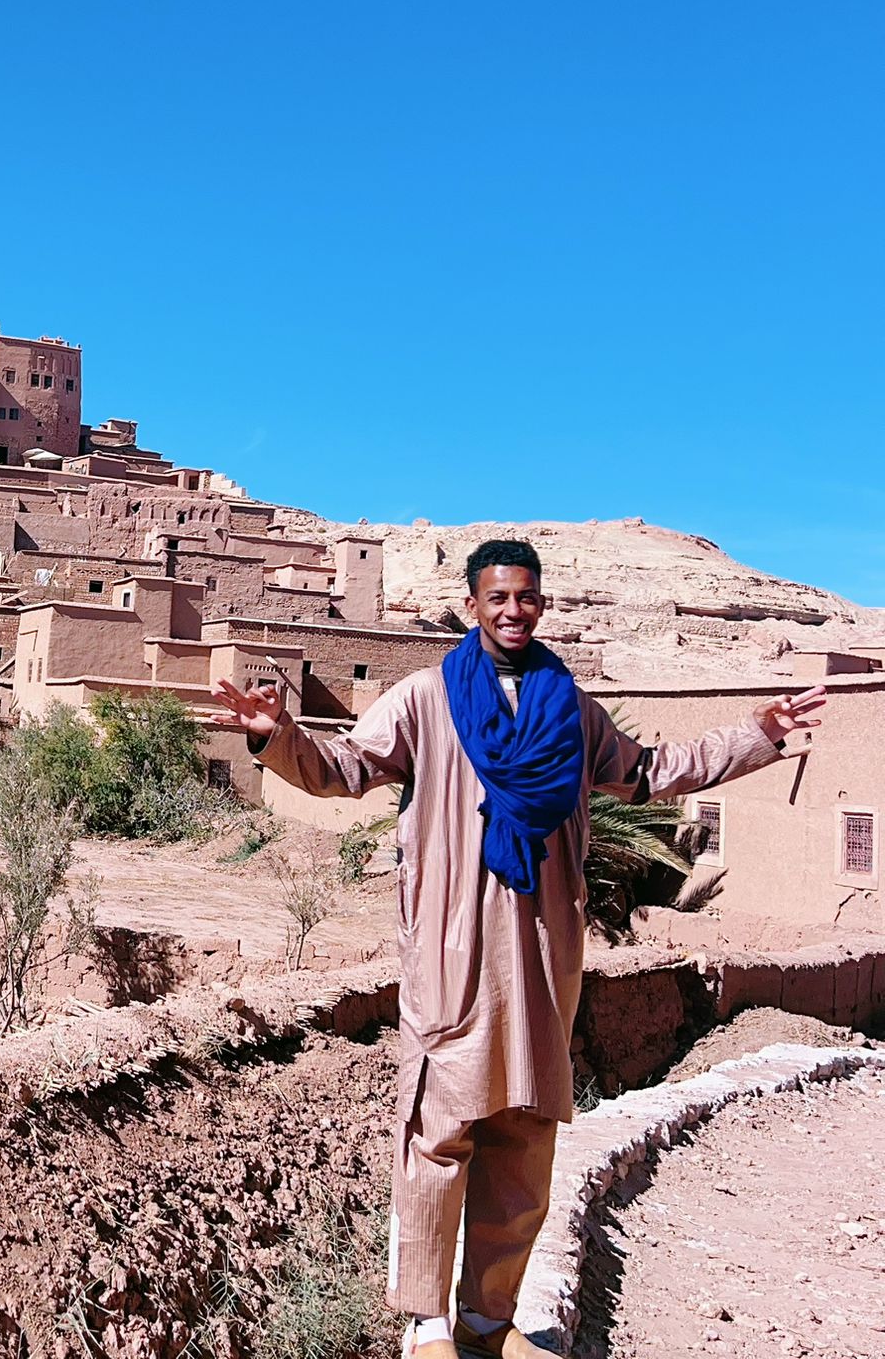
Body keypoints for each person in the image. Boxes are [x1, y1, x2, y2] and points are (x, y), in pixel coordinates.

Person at [213, 539, 825, 1359]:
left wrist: (756, 733)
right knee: (439, 1129)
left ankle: (488, 1323)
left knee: (527, 1130)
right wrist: (276, 738)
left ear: (540, 605)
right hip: (451, 950)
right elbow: (347, 768)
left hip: (541, 953)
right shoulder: (426, 698)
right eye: (497, 597)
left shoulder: (569, 708)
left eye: (526, 598)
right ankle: (428, 1323)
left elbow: (649, 773)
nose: (513, 610)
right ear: (472, 606)